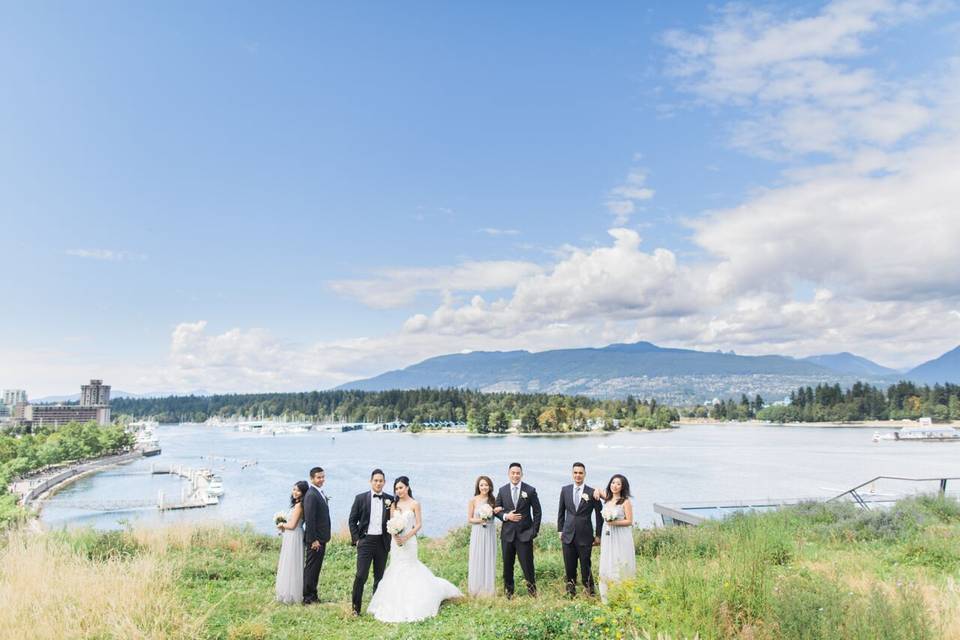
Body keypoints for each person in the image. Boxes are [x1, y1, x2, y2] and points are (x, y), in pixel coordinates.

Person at [366, 476, 462, 622]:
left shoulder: (415, 504)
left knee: (410, 567)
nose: (399, 491)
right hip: (396, 542)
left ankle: (415, 601)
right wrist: (395, 534)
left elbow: (418, 524)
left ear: (407, 487)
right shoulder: (394, 505)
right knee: (396, 567)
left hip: (409, 542)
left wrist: (406, 537)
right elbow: (391, 522)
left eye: (401, 488)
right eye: (396, 488)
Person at [348, 469, 393, 616]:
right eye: (376, 480)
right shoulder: (360, 498)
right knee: (361, 575)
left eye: (381, 481)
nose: (378, 483)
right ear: (371, 481)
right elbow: (352, 520)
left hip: (382, 542)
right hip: (366, 541)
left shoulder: (390, 499)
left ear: (384, 482)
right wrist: (357, 540)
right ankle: (355, 609)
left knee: (379, 577)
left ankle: (376, 608)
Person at [494, 462, 541, 597]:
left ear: (521, 474)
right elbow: (497, 509)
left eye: (518, 473)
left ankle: (532, 592)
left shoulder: (530, 490)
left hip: (525, 535)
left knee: (528, 566)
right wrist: (505, 516)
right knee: (507, 566)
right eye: (513, 473)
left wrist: (534, 531)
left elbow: (537, 512)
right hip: (507, 535)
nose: (515, 475)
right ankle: (509, 593)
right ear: (509, 474)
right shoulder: (502, 490)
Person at [557, 461, 602, 597]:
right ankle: (571, 593)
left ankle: (590, 593)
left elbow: (599, 515)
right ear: (572, 474)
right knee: (569, 567)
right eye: (575, 473)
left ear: (585, 474)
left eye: (580, 473)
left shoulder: (592, 492)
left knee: (585, 567)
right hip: (568, 535)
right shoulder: (565, 490)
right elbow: (561, 511)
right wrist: (560, 530)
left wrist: (598, 535)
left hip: (585, 536)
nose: (578, 475)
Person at [595, 474, 636, 603]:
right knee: (608, 558)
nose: (615, 486)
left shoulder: (625, 502)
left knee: (621, 559)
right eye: (613, 483)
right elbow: (598, 490)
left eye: (618, 484)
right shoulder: (607, 499)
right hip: (608, 535)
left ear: (623, 487)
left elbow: (629, 521)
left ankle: (623, 593)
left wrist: (614, 523)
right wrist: (596, 490)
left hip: (621, 535)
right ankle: (607, 595)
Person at [467, 475, 502, 596]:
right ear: (478, 486)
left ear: (490, 486)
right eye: (482, 485)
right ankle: (475, 589)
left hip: (489, 532)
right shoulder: (473, 500)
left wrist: (497, 511)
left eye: (486, 485)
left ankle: (488, 590)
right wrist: (481, 520)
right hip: (477, 532)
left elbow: (499, 513)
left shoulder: (494, 500)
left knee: (489, 557)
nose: (484, 487)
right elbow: (470, 519)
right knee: (477, 557)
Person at [302, 467, 331, 605]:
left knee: (315, 569)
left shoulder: (319, 492)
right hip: (315, 540)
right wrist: (313, 540)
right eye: (319, 477)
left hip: (321, 538)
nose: (321, 480)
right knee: (311, 569)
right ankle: (308, 597)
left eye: (323, 477)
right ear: (312, 478)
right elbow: (310, 519)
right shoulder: (311, 495)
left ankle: (313, 595)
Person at [275, 481, 306, 603]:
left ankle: (292, 593)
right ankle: (287, 591)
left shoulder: (299, 506)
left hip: (294, 535)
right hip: (291, 536)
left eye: (298, 490)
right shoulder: (297, 504)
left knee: (292, 562)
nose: (295, 492)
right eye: (294, 489)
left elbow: (293, 525)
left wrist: (282, 524)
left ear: (303, 492)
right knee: (289, 561)